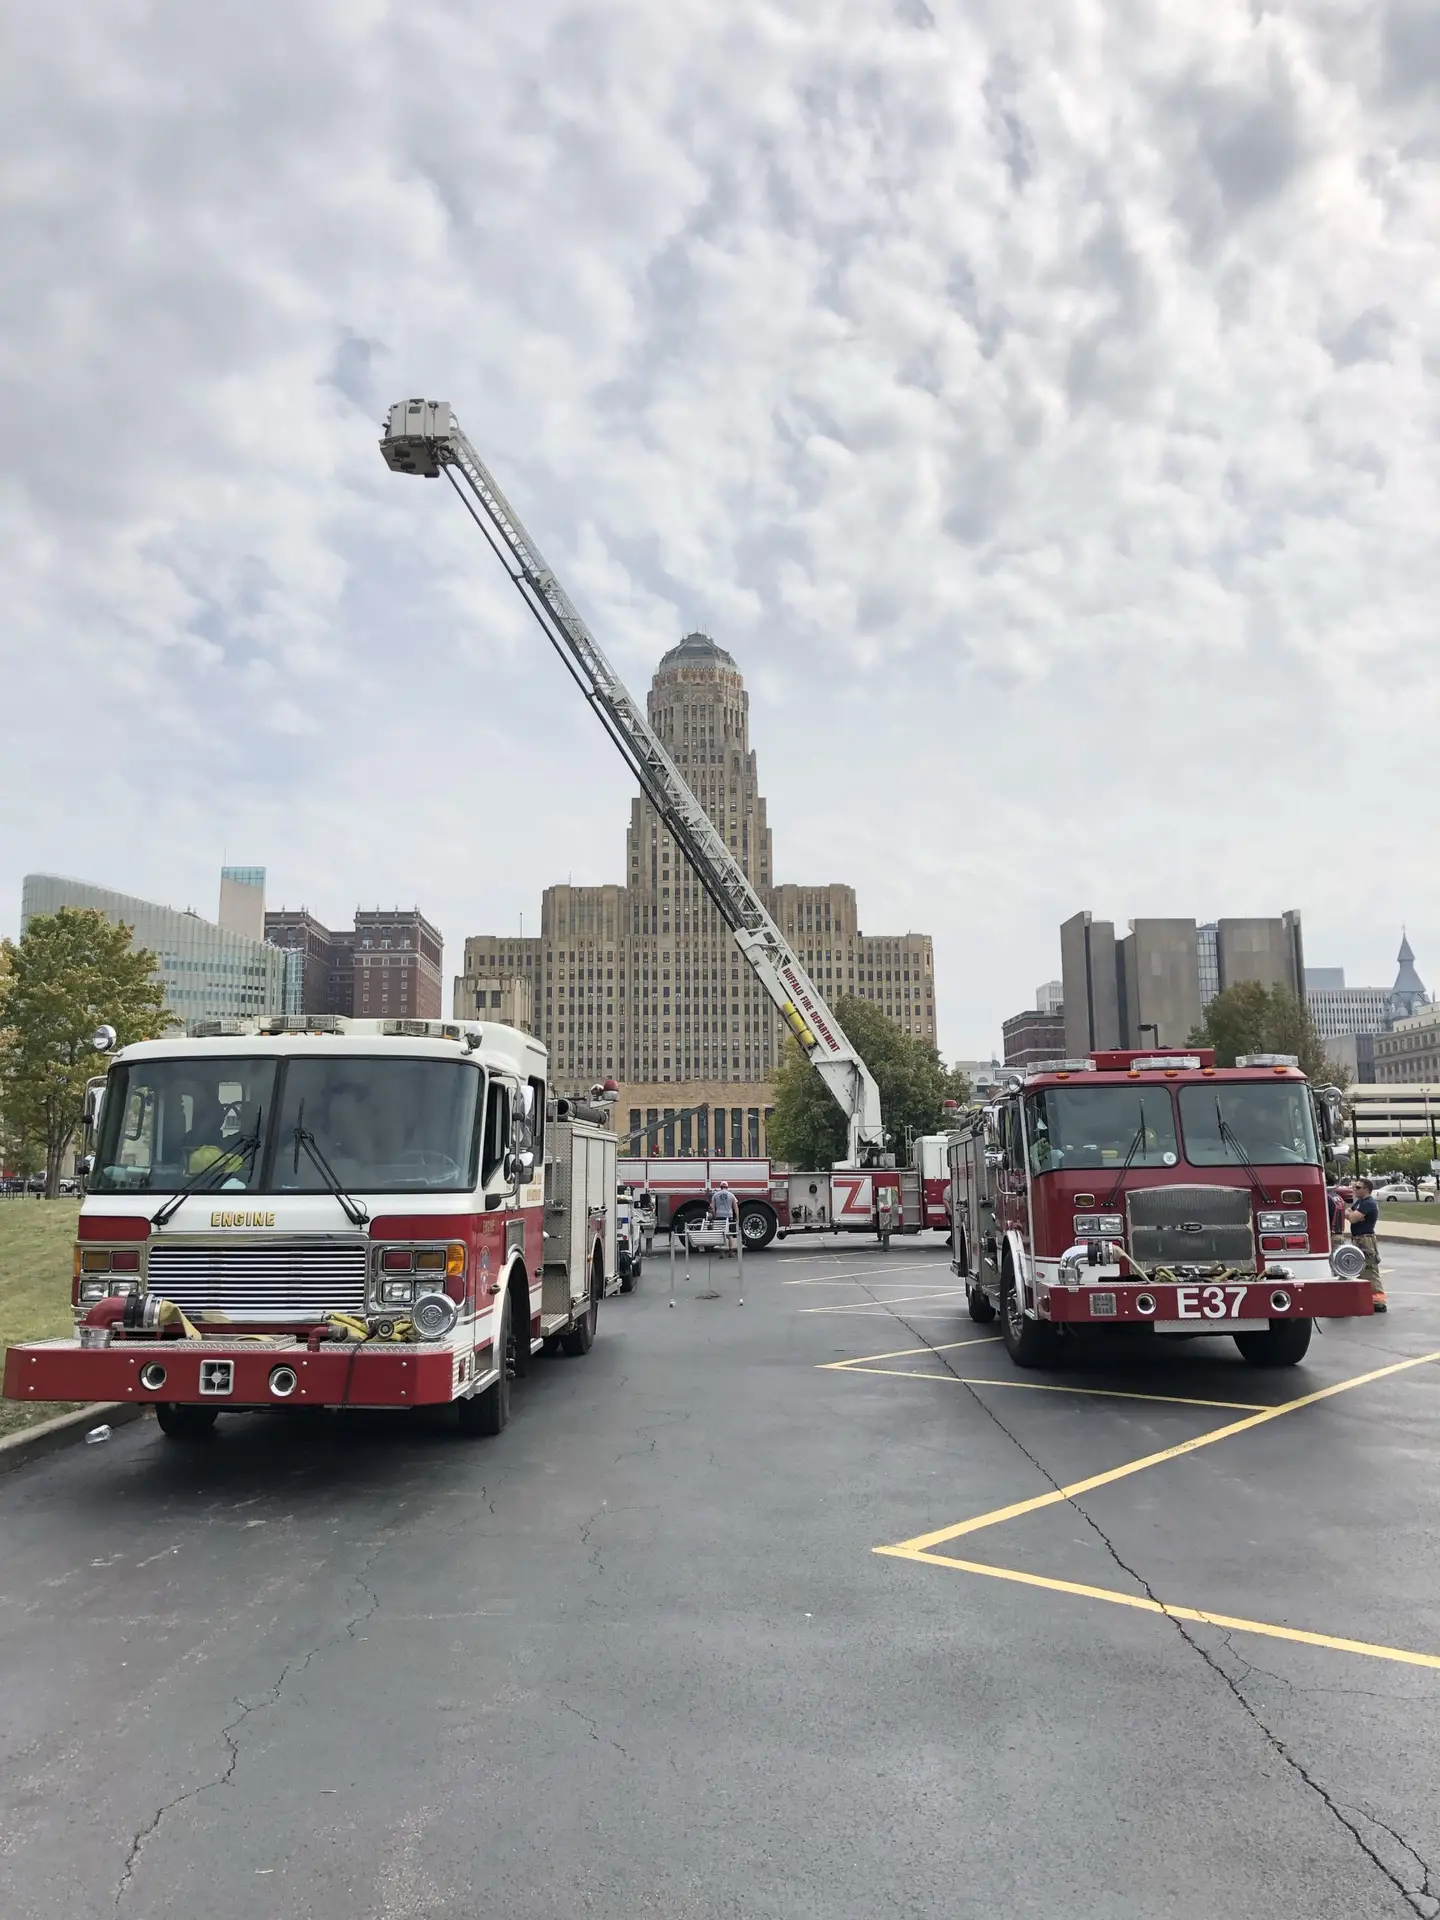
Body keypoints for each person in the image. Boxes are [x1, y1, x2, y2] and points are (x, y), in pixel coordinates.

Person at [1345, 1178, 1385, 1312]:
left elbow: (1352, 1218)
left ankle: (1379, 1302)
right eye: (1354, 1187)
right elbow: (1348, 1212)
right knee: (1359, 1271)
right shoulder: (1360, 1203)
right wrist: (1352, 1214)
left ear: (1366, 1189)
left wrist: (1352, 1215)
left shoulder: (1368, 1203)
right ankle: (1366, 1299)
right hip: (1357, 1239)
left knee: (1370, 1270)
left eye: (1358, 1187)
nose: (1354, 1189)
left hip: (1366, 1240)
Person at [708, 1179, 737, 1248]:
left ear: (720, 1187)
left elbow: (712, 1207)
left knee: (720, 1234)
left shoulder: (715, 1195)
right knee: (730, 1235)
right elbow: (735, 1207)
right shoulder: (731, 1195)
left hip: (719, 1216)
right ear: (727, 1187)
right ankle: (731, 1250)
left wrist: (714, 1216)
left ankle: (721, 1250)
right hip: (729, 1216)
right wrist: (737, 1217)